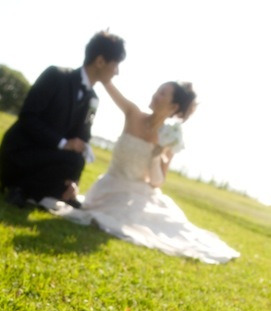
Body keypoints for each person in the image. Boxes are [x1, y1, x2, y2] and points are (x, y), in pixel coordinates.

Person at [43, 80, 240, 264]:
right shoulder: (133, 114)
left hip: (138, 194)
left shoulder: (169, 139)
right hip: (108, 186)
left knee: (138, 223)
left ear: (173, 107)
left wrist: (157, 155)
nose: (155, 95)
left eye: (162, 94)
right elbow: (111, 89)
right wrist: (104, 77)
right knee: (98, 213)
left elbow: (157, 182)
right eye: (157, 90)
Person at [0, 31, 126, 208]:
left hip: (49, 158)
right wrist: (63, 143)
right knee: (70, 157)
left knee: (77, 159)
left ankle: (62, 191)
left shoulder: (93, 98)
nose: (117, 72)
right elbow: (28, 117)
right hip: (21, 154)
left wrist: (74, 182)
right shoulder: (56, 76)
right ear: (100, 61)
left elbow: (82, 139)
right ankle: (19, 188)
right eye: (116, 64)